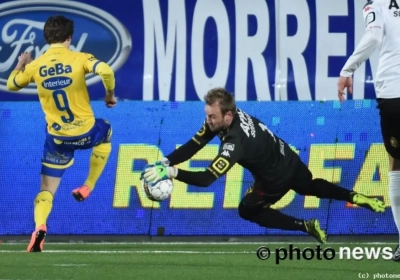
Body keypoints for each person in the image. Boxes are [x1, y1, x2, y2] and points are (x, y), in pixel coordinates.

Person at [141, 87, 385, 243]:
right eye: (207, 115)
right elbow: (195, 143)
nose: (208, 121)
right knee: (308, 185)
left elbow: (206, 180)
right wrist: (166, 160)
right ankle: (356, 196)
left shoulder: (235, 142)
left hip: (273, 178)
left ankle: (304, 225)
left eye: (212, 117)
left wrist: (172, 172)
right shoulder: (228, 115)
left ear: (226, 116)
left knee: (247, 210)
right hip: (287, 156)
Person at [6, 16, 117, 252]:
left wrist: (21, 63)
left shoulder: (36, 66)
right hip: (86, 132)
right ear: (69, 37)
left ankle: (40, 227)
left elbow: (13, 84)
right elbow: (105, 69)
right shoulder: (79, 58)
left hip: (58, 139)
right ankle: (88, 185)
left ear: (47, 38)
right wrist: (109, 95)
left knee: (46, 190)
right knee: (106, 130)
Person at [337, 0, 400, 260]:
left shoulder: (376, 4)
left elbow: (373, 36)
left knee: (396, 164)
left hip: (394, 92)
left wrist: (347, 69)